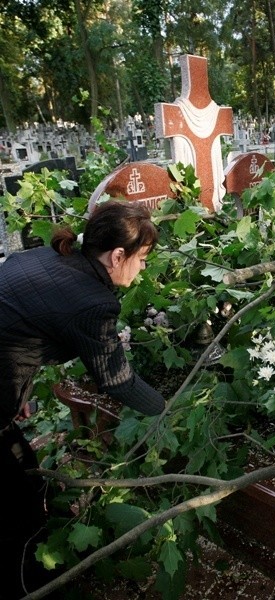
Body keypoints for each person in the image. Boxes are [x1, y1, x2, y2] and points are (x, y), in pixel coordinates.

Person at [0, 199, 166, 599]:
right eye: (142, 259)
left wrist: (15, 388)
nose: (143, 268)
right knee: (18, 501)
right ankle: (34, 583)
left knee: (23, 469)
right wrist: (167, 409)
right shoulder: (94, 302)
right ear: (118, 255)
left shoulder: (42, 257)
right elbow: (118, 380)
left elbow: (18, 321)